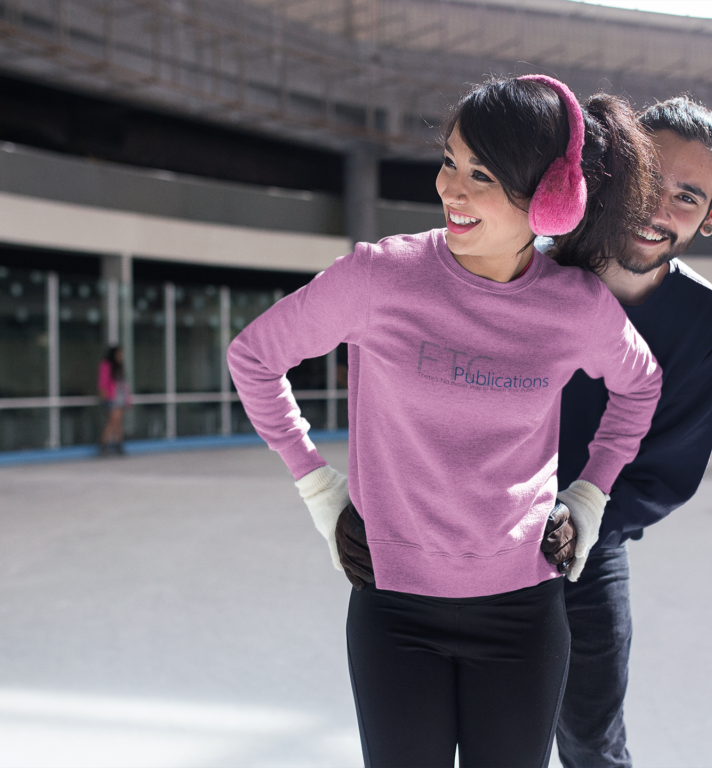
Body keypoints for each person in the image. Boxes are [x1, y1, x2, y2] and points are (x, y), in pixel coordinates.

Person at [228, 75, 663, 767]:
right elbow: (254, 358)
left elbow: (641, 385)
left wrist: (590, 493)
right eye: (451, 162)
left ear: (549, 200)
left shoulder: (574, 307)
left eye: (481, 175)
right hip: (395, 612)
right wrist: (318, 489)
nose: (450, 189)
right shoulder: (379, 278)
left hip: (525, 614)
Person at [547, 96, 712, 768]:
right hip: (470, 535)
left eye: (687, 196)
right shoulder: (529, 269)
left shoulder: (704, 322)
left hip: (587, 545)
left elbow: (666, 471)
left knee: (589, 741)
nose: (660, 209)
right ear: (612, 172)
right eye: (649, 180)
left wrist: (576, 522)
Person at [98, 346, 131, 455]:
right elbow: (103, 383)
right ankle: (104, 444)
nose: (121, 356)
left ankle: (119, 445)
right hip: (112, 398)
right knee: (112, 422)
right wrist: (106, 399)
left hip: (121, 397)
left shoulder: (119, 367)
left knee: (118, 423)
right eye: (119, 354)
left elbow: (123, 385)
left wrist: (128, 400)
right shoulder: (106, 365)